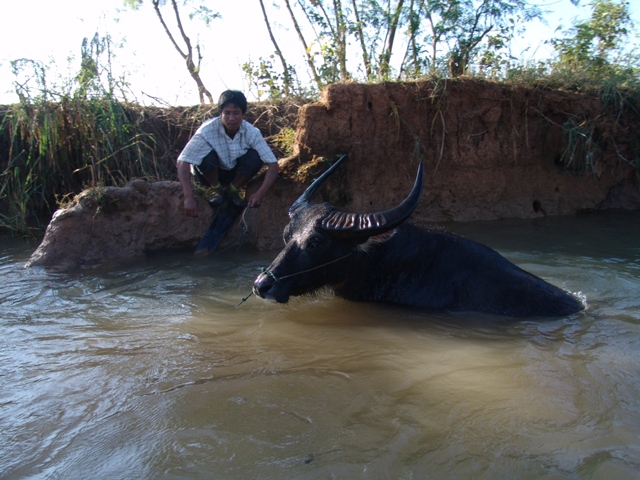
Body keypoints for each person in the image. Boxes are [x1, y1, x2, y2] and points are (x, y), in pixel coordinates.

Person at [176, 90, 280, 216]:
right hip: (208, 174)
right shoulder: (206, 131)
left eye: (236, 113)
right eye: (227, 113)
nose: (232, 118)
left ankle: (232, 191)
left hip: (233, 174)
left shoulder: (252, 132)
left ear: (243, 114)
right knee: (205, 156)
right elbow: (183, 161)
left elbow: (273, 165)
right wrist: (188, 197)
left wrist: (260, 193)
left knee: (255, 156)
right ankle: (217, 190)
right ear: (220, 113)